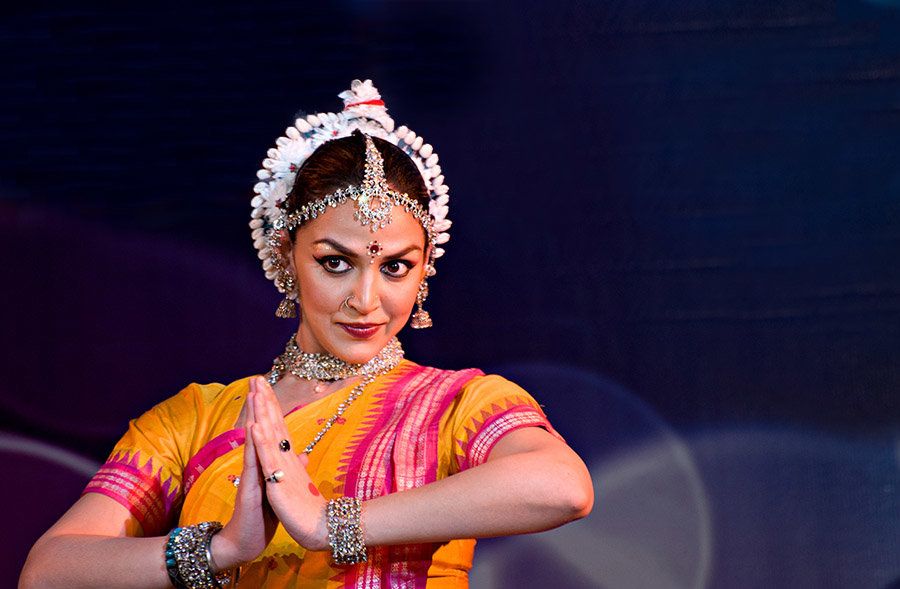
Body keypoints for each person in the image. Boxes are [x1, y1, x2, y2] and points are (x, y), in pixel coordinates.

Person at [20, 79, 593, 589]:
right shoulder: (195, 420)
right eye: (335, 263)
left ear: (424, 270)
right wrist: (222, 550)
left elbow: (562, 487)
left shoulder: (455, 403)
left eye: (395, 266)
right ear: (286, 256)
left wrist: (328, 524)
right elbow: (49, 571)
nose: (365, 299)